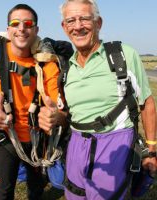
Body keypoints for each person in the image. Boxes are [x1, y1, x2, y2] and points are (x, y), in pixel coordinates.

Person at [38, 0, 157, 199]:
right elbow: (69, 114)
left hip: (115, 142)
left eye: (85, 18)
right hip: (76, 144)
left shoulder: (122, 56)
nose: (78, 26)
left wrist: (151, 150)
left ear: (98, 23)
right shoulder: (67, 68)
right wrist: (56, 117)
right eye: (71, 21)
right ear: (64, 27)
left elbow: (147, 103)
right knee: (74, 194)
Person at [0, 4, 61, 200]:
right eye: (15, 23)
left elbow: (54, 102)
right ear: (8, 29)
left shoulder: (47, 64)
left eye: (28, 24)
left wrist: (54, 114)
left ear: (36, 30)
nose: (21, 28)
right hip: (5, 138)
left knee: (36, 190)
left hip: (37, 139)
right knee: (2, 194)